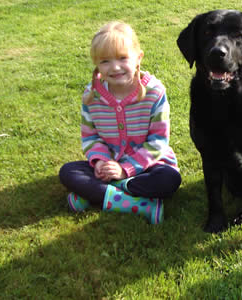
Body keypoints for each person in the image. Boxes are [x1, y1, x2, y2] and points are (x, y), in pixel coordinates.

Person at [59, 21, 181, 224]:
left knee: (169, 180)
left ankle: (97, 193)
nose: (115, 67)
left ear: (138, 57)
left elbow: (158, 142)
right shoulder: (92, 95)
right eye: (105, 61)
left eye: (123, 58)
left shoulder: (154, 92)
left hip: (149, 166)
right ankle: (136, 204)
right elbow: (91, 137)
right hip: (108, 165)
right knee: (68, 172)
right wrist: (101, 162)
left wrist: (125, 170)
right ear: (96, 63)